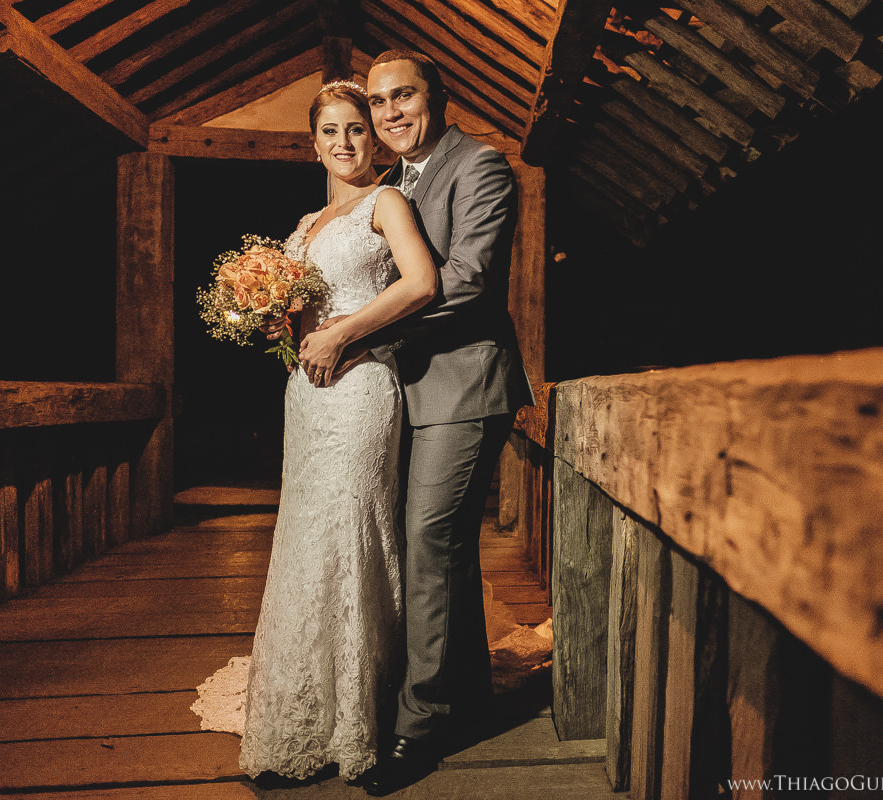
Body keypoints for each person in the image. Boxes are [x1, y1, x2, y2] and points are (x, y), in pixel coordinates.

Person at [194, 80, 439, 784]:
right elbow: (304, 311)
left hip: (360, 390)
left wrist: (341, 335)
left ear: (374, 137)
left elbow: (421, 284)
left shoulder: (386, 202)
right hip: (305, 397)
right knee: (305, 537)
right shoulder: (307, 223)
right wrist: (272, 318)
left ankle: (360, 714)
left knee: (350, 530)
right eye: (331, 132)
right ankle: (301, 709)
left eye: (357, 129)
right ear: (314, 144)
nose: (345, 142)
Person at [344, 50, 534, 796]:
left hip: (464, 385)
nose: (389, 112)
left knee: (429, 541)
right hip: (403, 389)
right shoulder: (393, 183)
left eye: (404, 96)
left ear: (438, 97)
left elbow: (469, 279)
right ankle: (465, 696)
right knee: (434, 552)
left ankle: (418, 728)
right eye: (378, 101)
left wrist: (362, 330)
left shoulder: (480, 166)